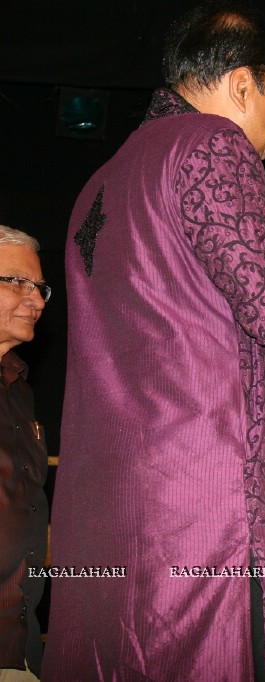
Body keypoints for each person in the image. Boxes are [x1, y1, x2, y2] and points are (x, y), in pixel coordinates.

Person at [44, 5, 265, 680]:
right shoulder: (211, 145)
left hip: (110, 510)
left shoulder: (98, 185)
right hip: (204, 502)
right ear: (243, 85)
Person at [0, 226, 49, 682]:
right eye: (17, 282)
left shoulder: (19, 391)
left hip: (20, 649)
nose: (36, 300)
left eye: (39, 287)